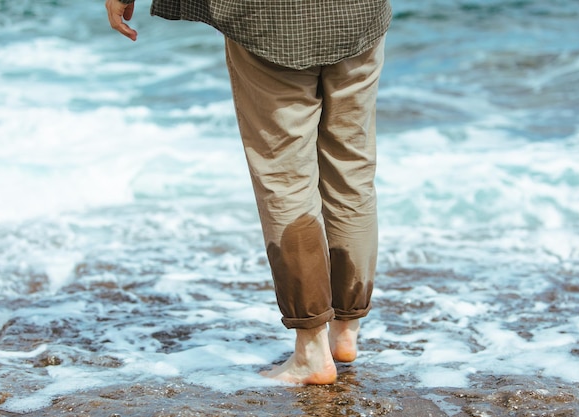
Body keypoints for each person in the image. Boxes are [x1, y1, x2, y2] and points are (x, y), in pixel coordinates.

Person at [106, 0, 391, 385]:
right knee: (352, 171)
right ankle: (345, 332)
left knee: (285, 178)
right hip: (359, 13)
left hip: (271, 18)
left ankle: (311, 351)